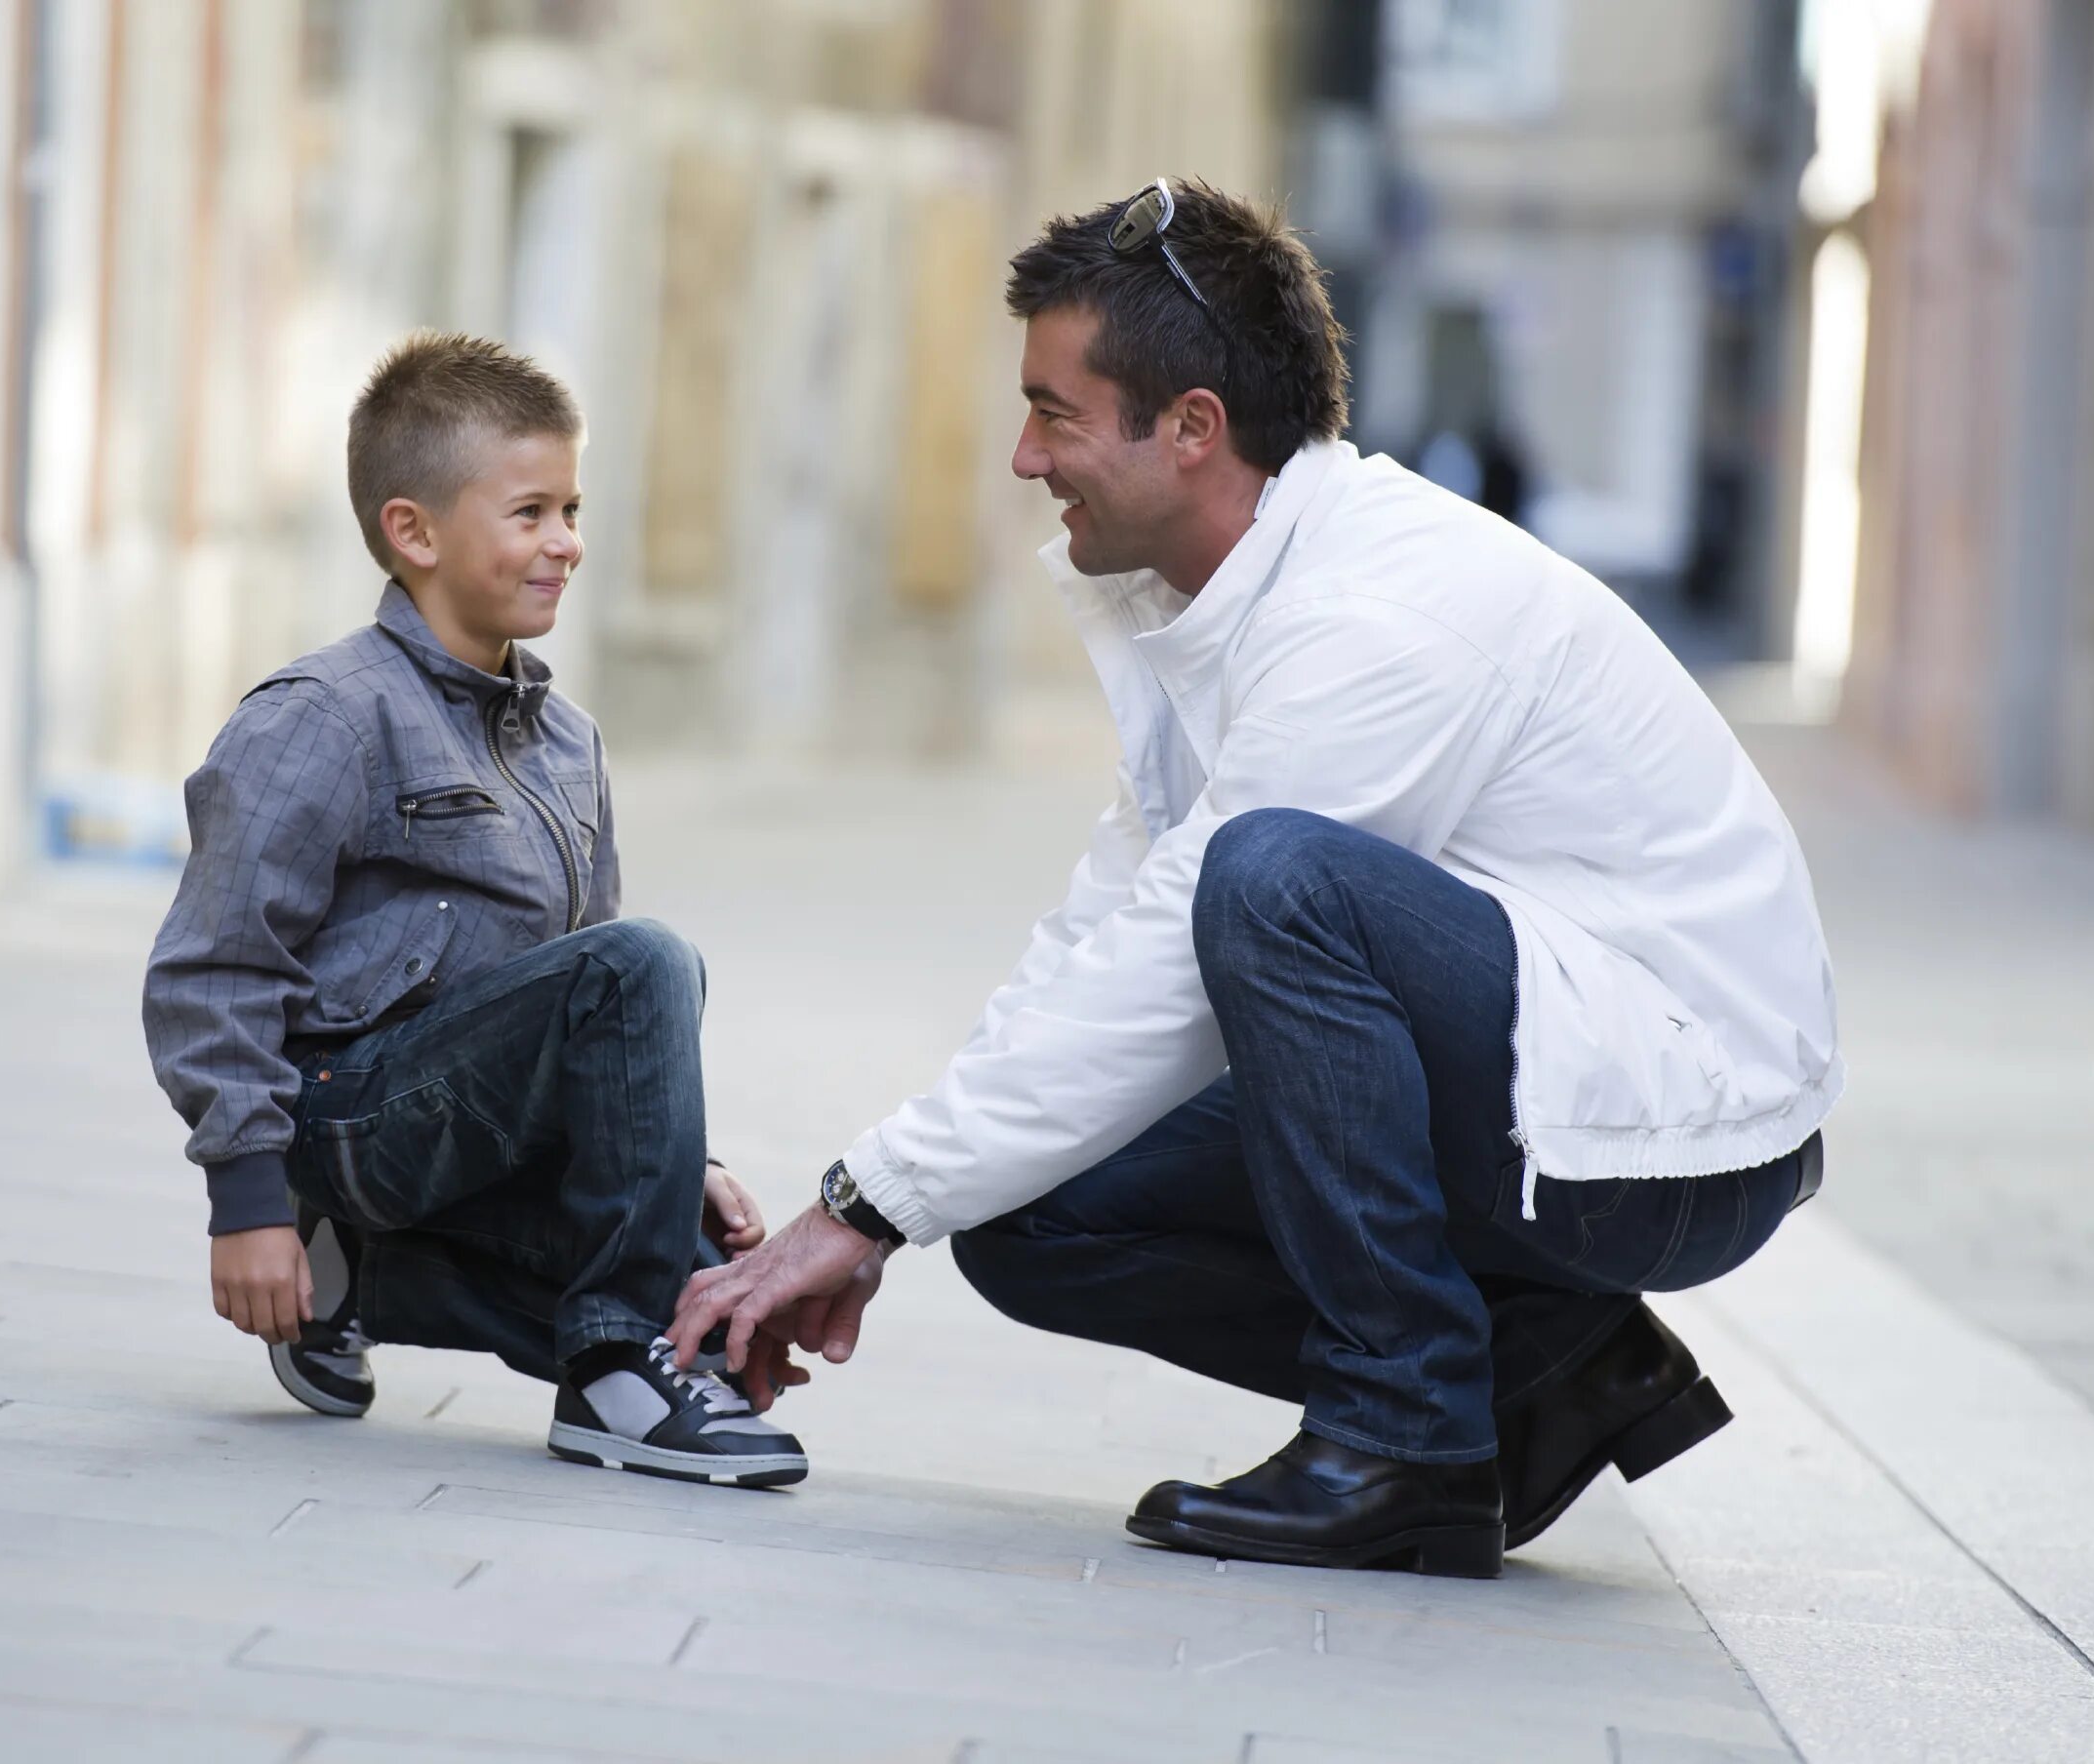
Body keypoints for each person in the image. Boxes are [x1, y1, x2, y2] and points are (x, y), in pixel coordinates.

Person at [669, 180, 1841, 1572]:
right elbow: (1104, 932)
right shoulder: (1212, 600)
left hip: (1675, 1132)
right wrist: (885, 1198)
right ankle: (1542, 1372)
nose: (1020, 459)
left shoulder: (1379, 618)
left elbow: (1182, 942)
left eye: (1052, 412)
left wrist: (856, 1210)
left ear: (1192, 428)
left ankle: (1401, 1430)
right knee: (1025, 1210)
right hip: (1543, 1077)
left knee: (1272, 878)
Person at [143, 333, 808, 1489]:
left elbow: (580, 990)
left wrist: (671, 1159)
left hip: (468, 1127)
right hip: (345, 1115)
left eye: (573, 508)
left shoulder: (568, 743)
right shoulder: (326, 715)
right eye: (532, 512)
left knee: (700, 1273)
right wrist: (244, 1197)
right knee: (649, 965)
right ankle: (612, 1373)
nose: (568, 543)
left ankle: (356, 1281)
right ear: (415, 531)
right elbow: (213, 968)